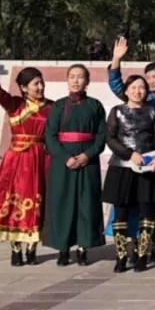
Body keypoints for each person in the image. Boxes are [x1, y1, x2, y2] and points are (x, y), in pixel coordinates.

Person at [108, 37, 155, 265]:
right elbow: (116, 83)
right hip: (132, 160)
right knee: (130, 206)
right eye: (148, 77)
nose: (152, 81)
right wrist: (116, 59)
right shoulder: (140, 98)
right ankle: (129, 250)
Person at [0, 56, 52, 266]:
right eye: (36, 84)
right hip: (17, 160)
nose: (40, 87)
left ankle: (32, 249)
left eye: (41, 82)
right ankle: (16, 250)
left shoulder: (52, 107)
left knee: (38, 201)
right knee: (14, 202)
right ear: (24, 88)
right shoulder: (15, 104)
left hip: (40, 158)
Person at [102, 75, 155, 273]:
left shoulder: (152, 111)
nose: (137, 91)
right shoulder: (117, 111)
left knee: (147, 213)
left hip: (147, 168)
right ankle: (121, 256)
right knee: (120, 213)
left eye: (142, 88)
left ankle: (142, 255)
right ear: (126, 90)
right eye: (133, 87)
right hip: (122, 167)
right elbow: (110, 138)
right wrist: (130, 154)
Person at [44, 64, 107, 266]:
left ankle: (83, 248)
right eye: (72, 76)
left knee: (86, 204)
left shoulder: (95, 106)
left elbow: (101, 136)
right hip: (63, 163)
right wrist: (65, 157)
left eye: (80, 77)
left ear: (87, 81)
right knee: (62, 203)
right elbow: (50, 136)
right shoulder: (58, 106)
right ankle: (63, 249)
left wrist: (88, 154)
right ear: (67, 80)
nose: (76, 80)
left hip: (87, 161)